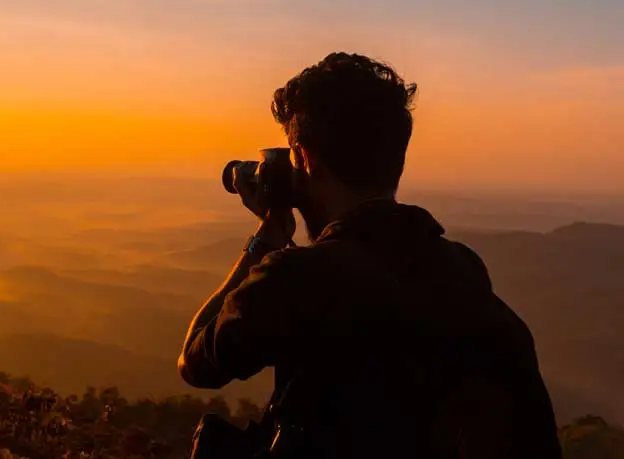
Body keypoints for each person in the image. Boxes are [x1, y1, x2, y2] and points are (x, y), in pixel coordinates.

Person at [178, 52, 562, 458]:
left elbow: (196, 362)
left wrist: (269, 235)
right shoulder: (460, 267)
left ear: (305, 158)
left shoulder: (298, 278)